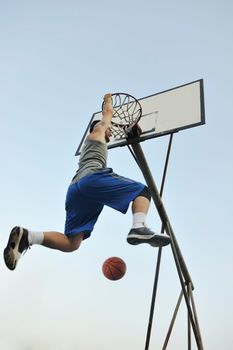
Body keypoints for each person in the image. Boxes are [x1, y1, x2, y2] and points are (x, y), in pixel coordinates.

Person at [3, 93, 170, 271]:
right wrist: (108, 102)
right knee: (143, 191)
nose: (111, 132)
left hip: (77, 189)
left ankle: (29, 237)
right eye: (109, 129)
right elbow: (107, 114)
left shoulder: (93, 146)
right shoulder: (97, 131)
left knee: (72, 243)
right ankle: (139, 226)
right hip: (91, 179)